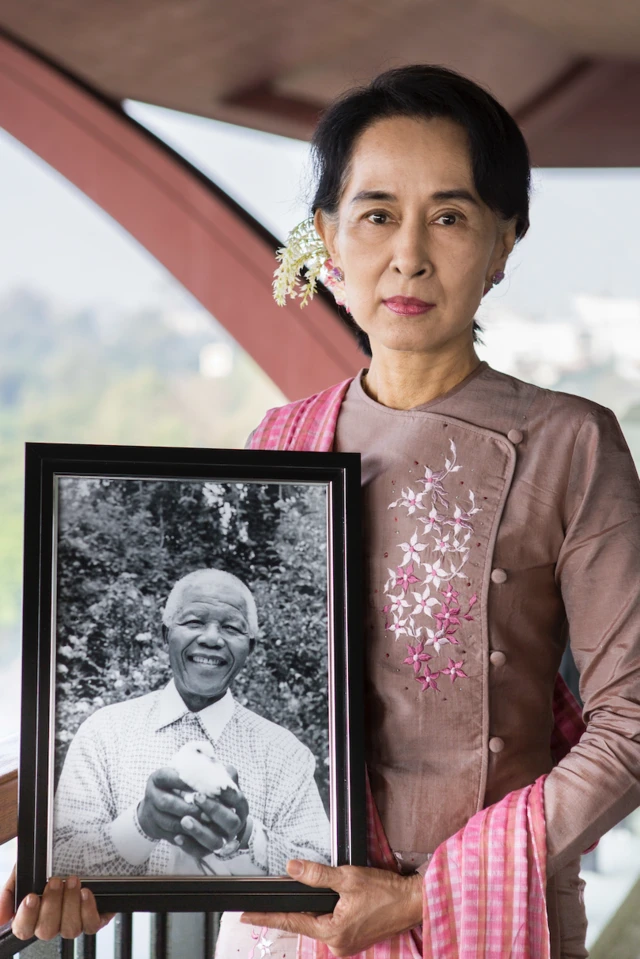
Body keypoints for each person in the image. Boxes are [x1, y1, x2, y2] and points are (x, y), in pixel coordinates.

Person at [3, 62, 640, 957]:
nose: (409, 254)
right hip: (288, 925)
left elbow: (633, 720)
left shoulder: (570, 442)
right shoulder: (282, 440)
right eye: (377, 214)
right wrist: (97, 858)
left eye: (450, 217)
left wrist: (423, 898)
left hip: (482, 922)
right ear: (328, 239)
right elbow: (241, 720)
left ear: (503, 245)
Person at [53, 567, 330, 879]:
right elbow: (61, 863)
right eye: (194, 621)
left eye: (232, 628)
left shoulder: (284, 752)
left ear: (249, 647)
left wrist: (247, 834)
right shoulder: (104, 732)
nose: (211, 638)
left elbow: (322, 869)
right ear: (165, 635)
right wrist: (141, 824)